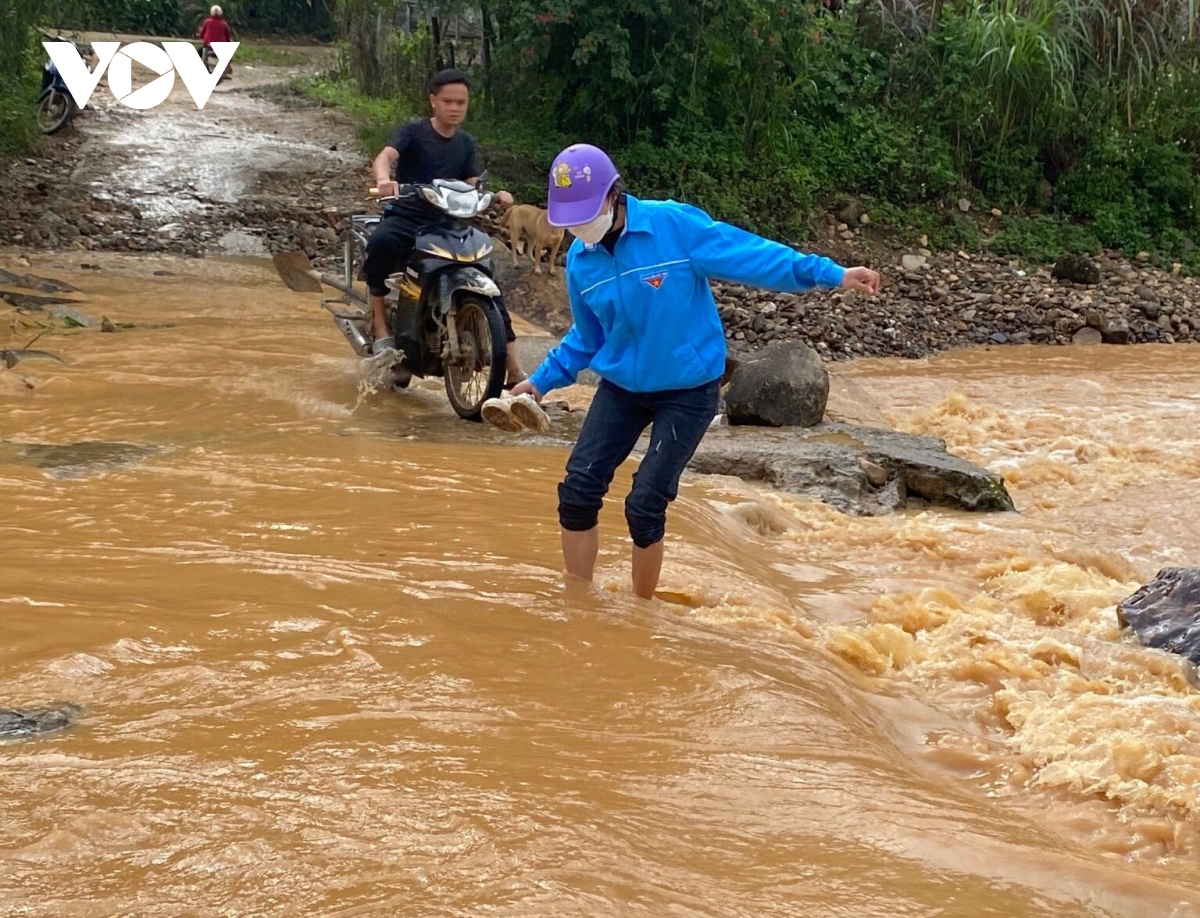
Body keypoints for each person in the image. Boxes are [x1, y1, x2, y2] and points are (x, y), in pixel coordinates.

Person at [510, 143, 881, 600]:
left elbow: (753, 256)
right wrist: (540, 382)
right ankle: (579, 603)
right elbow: (587, 337)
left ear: (613, 194)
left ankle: (641, 613)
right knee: (578, 490)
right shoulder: (582, 262)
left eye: (586, 213)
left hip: (687, 390)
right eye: (570, 219)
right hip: (623, 387)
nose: (579, 227)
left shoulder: (673, 226)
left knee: (645, 502)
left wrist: (831, 274)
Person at [364, 69, 526, 387]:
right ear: (433, 101)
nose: (455, 108)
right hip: (409, 216)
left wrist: (493, 195)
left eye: (461, 103)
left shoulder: (466, 143)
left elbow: (471, 181)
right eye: (448, 101)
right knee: (381, 242)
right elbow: (384, 157)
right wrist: (384, 180)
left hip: (449, 223)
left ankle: (513, 367)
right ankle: (380, 323)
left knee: (487, 275)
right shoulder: (413, 132)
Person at [196, 5, 233, 78]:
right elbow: (227, 36)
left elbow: (202, 34)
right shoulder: (224, 23)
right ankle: (226, 68)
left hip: (208, 45)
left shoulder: (207, 22)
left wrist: (201, 36)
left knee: (199, 53)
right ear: (221, 13)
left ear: (211, 13)